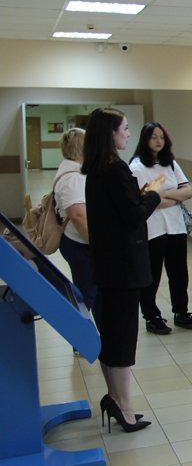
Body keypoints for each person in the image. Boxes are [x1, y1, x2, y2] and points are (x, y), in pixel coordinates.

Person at [83, 107, 162, 432]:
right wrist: (153, 196)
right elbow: (132, 216)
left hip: (109, 265)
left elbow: (119, 209)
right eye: (125, 128)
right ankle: (125, 407)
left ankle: (115, 398)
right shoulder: (115, 168)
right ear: (110, 133)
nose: (129, 134)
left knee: (113, 334)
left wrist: (138, 196)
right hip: (124, 267)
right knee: (122, 338)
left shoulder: (97, 168)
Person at [129, 122, 192, 334]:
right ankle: (152, 316)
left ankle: (181, 312)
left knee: (179, 274)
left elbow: (188, 191)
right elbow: (146, 200)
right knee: (152, 276)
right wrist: (173, 197)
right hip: (153, 228)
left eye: (162, 137)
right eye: (154, 137)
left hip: (176, 227)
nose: (159, 141)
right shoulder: (137, 166)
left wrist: (162, 194)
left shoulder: (170, 164)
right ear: (145, 140)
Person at [54, 128, 100, 327]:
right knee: (86, 295)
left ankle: (102, 335)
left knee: (95, 293)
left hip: (79, 243)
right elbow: (78, 216)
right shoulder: (73, 177)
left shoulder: (72, 171)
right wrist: (97, 245)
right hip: (80, 244)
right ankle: (78, 335)